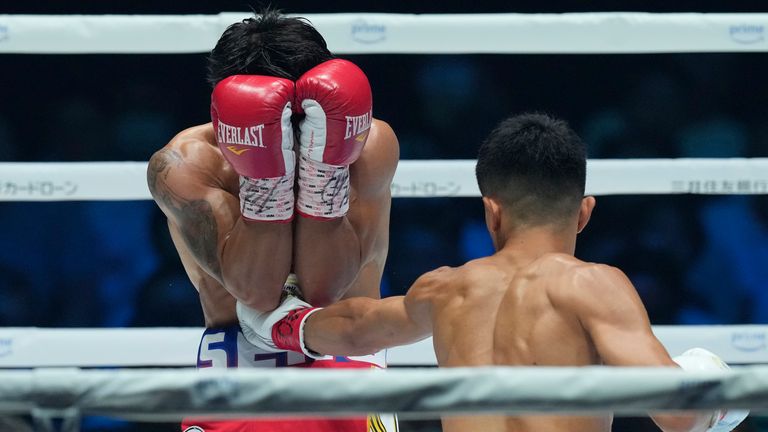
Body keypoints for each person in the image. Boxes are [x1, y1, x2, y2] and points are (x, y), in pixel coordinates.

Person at [239, 113, 748, 432]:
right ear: (584, 212)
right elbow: (678, 414)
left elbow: (354, 328)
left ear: (491, 213)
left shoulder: (444, 289)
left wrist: (275, 321)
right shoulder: (592, 285)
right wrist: (718, 400)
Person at [147, 9, 399, 432]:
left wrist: (324, 169)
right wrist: (265, 174)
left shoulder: (368, 145)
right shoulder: (188, 165)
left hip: (346, 355)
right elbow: (257, 294)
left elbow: (323, 292)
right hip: (237, 368)